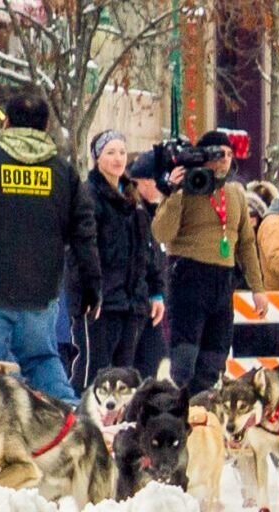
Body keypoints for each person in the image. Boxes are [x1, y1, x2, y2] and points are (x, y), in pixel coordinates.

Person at [0, 92, 100, 403]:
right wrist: (92, 286)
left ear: (7, 122)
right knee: (42, 361)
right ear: (46, 125)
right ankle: (70, 424)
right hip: (40, 292)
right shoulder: (63, 172)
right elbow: (84, 232)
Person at [151, 129, 268, 393]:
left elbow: (247, 244)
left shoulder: (236, 192)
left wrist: (258, 289)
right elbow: (161, 232)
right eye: (217, 154)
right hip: (189, 275)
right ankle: (176, 408)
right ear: (204, 157)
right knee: (184, 359)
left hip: (223, 280)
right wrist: (175, 192)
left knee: (214, 358)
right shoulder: (187, 188)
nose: (224, 159)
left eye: (228, 154)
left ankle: (203, 410)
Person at [68, 130, 164, 392]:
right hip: (100, 302)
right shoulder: (87, 195)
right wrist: (90, 292)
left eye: (122, 152)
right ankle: (80, 422)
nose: (118, 158)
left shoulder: (134, 199)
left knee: (125, 378)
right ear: (97, 158)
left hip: (132, 302)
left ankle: (118, 429)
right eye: (110, 152)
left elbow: (149, 249)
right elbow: (80, 252)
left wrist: (156, 292)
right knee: (94, 373)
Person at [125, 151, 171, 378]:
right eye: (159, 181)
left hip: (149, 303)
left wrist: (158, 293)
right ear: (144, 181)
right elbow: (141, 258)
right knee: (135, 368)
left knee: (154, 368)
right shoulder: (133, 212)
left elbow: (157, 258)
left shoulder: (153, 211)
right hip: (133, 303)